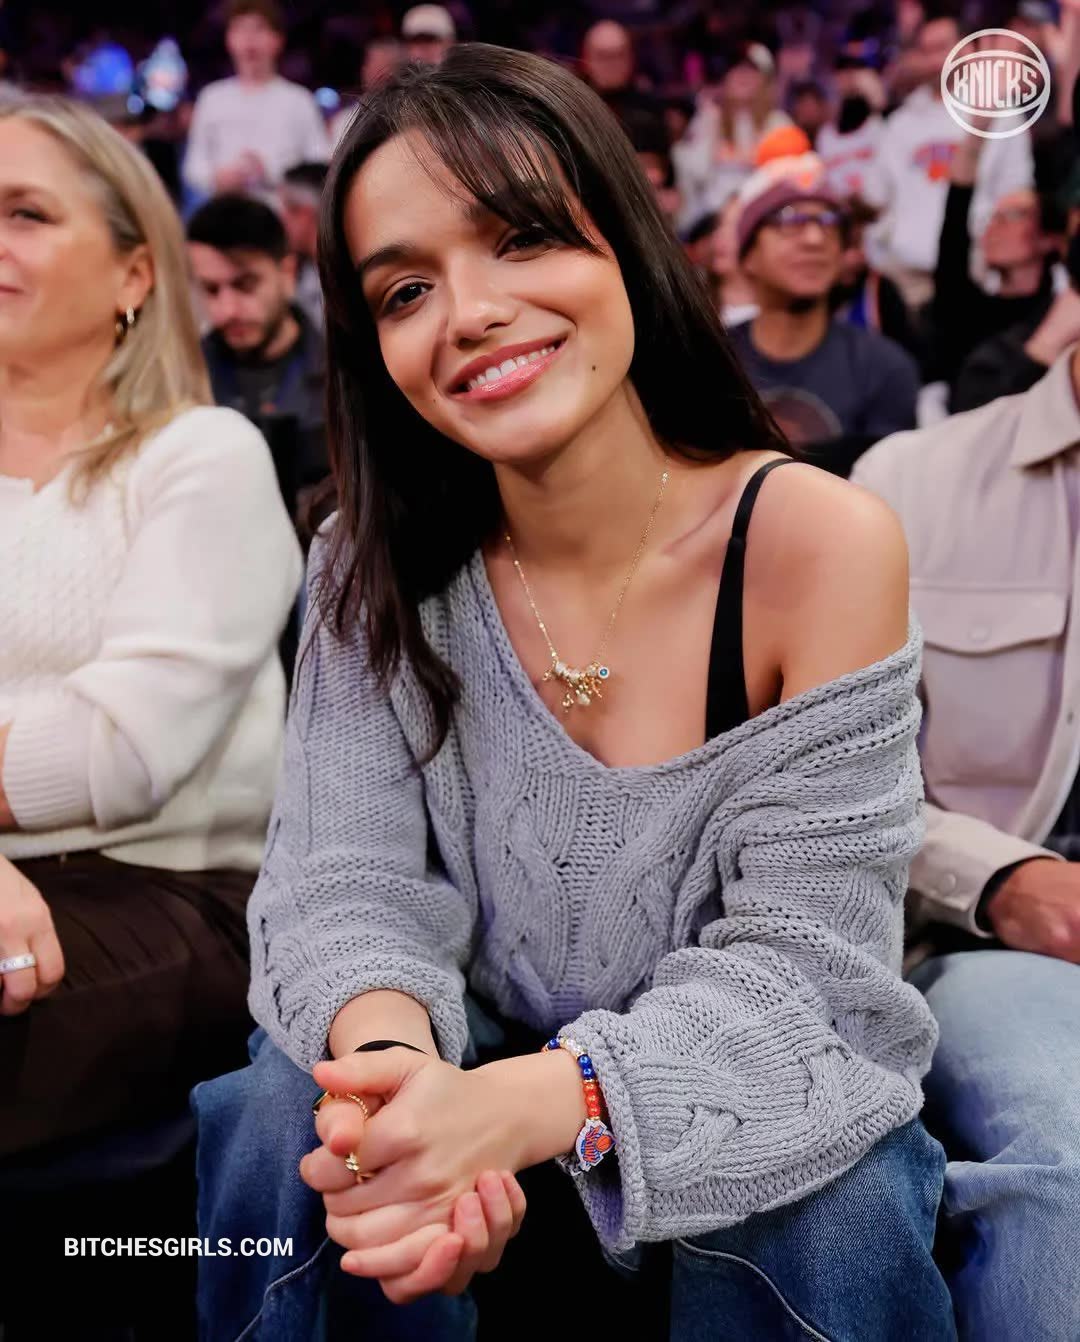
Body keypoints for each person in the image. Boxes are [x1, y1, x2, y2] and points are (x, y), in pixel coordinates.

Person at [192, 44, 956, 1342]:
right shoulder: (366, 560)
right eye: (406, 289)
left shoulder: (816, 541)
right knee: (298, 1109)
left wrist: (527, 1108)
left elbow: (810, 973)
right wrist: (399, 1087)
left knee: (827, 1186)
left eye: (524, 238)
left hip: (707, 1059)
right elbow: (344, 886)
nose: (470, 312)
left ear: (627, 244)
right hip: (461, 1043)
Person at [0, 95, 302, 1159]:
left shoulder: (202, 456)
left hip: (169, 894)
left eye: (26, 213)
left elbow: (116, 754)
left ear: (134, 275)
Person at [852, 343, 1080, 1342]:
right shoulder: (911, 480)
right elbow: (837, 787)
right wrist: (1006, 880)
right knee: (1067, 1146)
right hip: (993, 937)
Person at [728, 154, 919, 477]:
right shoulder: (710, 362)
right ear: (749, 256)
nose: (815, 239)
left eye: (829, 223)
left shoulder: (884, 368)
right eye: (789, 220)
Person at [862, 5, 1034, 309]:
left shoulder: (1002, 114)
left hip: (972, 271)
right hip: (904, 274)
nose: (934, 61)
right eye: (925, 51)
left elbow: (1015, 193)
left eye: (942, 48)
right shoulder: (900, 123)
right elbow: (876, 196)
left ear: (968, 50)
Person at [187, 193, 328, 514]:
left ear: (287, 273)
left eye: (245, 285)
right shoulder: (181, 380)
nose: (227, 310)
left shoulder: (347, 376)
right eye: (211, 289)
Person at [929, 128, 1063, 399]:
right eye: (992, 217)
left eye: (1013, 215)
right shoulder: (964, 306)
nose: (994, 227)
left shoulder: (1060, 317)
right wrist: (976, 134)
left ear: (1049, 239)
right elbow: (954, 224)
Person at [182, 0, 329, 207]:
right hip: (224, 210)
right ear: (229, 39)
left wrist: (269, 172)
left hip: (280, 214)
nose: (249, 39)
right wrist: (217, 178)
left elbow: (319, 163)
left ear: (278, 39)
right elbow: (194, 166)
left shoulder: (299, 100)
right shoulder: (212, 97)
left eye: (259, 29)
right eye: (240, 29)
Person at [679, 42, 792, 222]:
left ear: (766, 80)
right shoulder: (708, 120)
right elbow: (694, 175)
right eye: (736, 69)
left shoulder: (779, 124)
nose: (743, 76)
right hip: (712, 217)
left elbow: (787, 178)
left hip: (763, 216)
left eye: (751, 70)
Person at [579, 20, 660, 133]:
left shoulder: (649, 111)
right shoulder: (575, 108)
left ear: (631, 58)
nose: (612, 65)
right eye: (603, 56)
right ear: (586, 58)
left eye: (619, 55)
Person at [280, 161, 328, 332]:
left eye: (287, 209)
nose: (282, 219)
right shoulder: (295, 272)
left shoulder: (350, 272)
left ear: (306, 213)